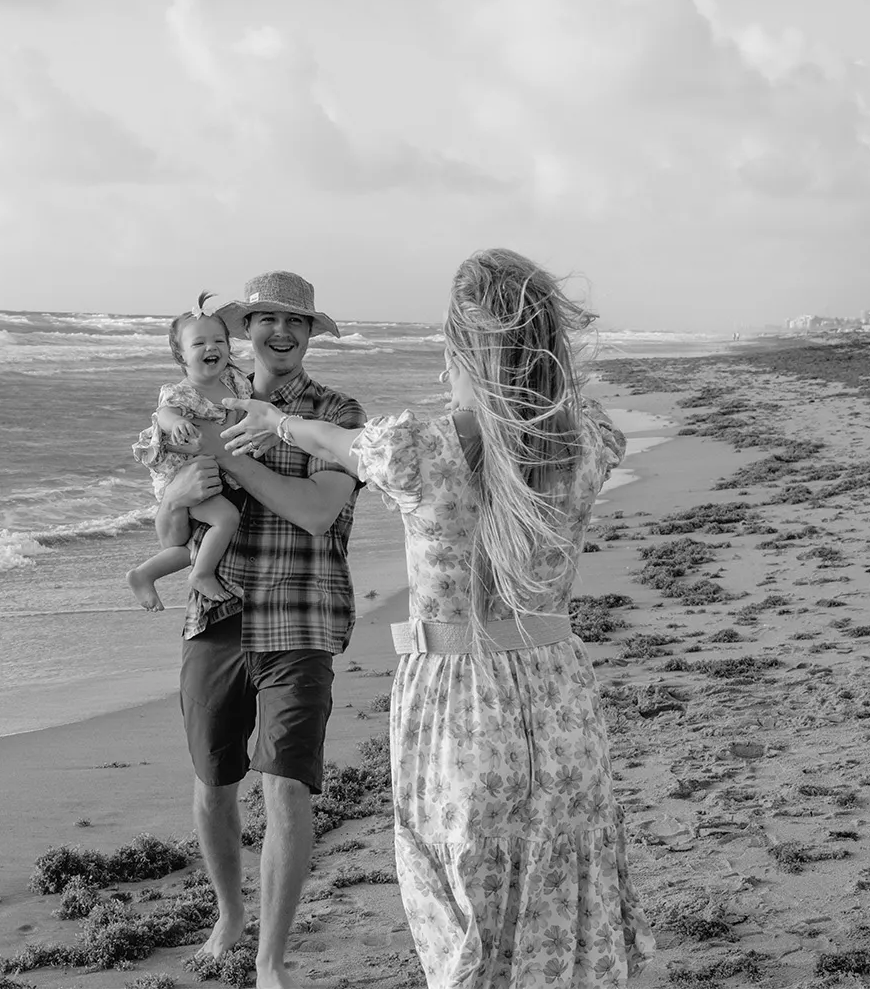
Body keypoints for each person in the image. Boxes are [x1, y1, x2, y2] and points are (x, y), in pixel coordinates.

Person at [223, 248, 653, 988]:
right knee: (563, 893)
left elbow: (344, 446)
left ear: (457, 342)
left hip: (457, 700)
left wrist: (276, 423)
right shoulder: (585, 443)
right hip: (559, 694)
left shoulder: (420, 452)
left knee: (459, 904)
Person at [153, 270, 364, 989]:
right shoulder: (202, 401)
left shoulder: (337, 411)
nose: (280, 332)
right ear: (247, 330)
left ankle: (272, 961)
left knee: (287, 788)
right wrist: (175, 494)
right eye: (267, 320)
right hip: (216, 613)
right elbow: (172, 521)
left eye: (295, 323)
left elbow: (314, 510)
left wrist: (225, 457)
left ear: (309, 334)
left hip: (302, 614)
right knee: (213, 780)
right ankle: (229, 916)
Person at [127, 294, 252, 611]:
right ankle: (202, 574)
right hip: (183, 475)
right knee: (226, 519)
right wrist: (178, 421)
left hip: (213, 474)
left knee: (190, 545)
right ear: (181, 356)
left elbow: (245, 415)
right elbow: (163, 415)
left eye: (219, 340)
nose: (211, 348)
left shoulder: (235, 381)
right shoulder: (182, 391)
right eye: (199, 344)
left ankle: (144, 574)